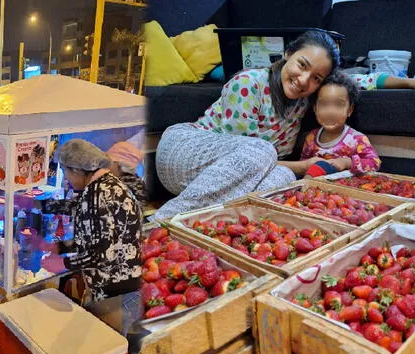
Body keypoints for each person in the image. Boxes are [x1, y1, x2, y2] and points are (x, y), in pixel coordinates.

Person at [153, 31, 342, 220]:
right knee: (264, 151)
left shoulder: (301, 104)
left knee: (283, 175)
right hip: (182, 152)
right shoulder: (248, 83)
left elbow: (258, 167)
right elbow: (246, 159)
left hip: (229, 180)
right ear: (288, 53)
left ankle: (216, 228)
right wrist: (303, 166)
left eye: (316, 78)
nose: (303, 80)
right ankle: (161, 220)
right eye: (302, 65)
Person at [41, 139, 143, 337]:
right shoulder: (110, 184)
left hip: (113, 291)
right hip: (129, 284)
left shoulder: (96, 195)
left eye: (66, 171)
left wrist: (62, 262)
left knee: (107, 344)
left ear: (78, 171)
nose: (67, 179)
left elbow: (100, 255)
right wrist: (40, 207)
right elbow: (98, 232)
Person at [292, 71, 381, 178]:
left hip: (345, 188)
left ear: (349, 110)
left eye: (339, 104)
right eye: (324, 104)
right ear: (315, 108)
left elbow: (375, 163)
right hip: (315, 188)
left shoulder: (356, 139)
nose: (331, 112)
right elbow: (304, 165)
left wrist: (348, 162)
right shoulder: (311, 137)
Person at [106, 141, 148, 209]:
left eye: (110, 162)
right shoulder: (138, 181)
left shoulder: (117, 186)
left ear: (118, 165)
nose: (107, 166)